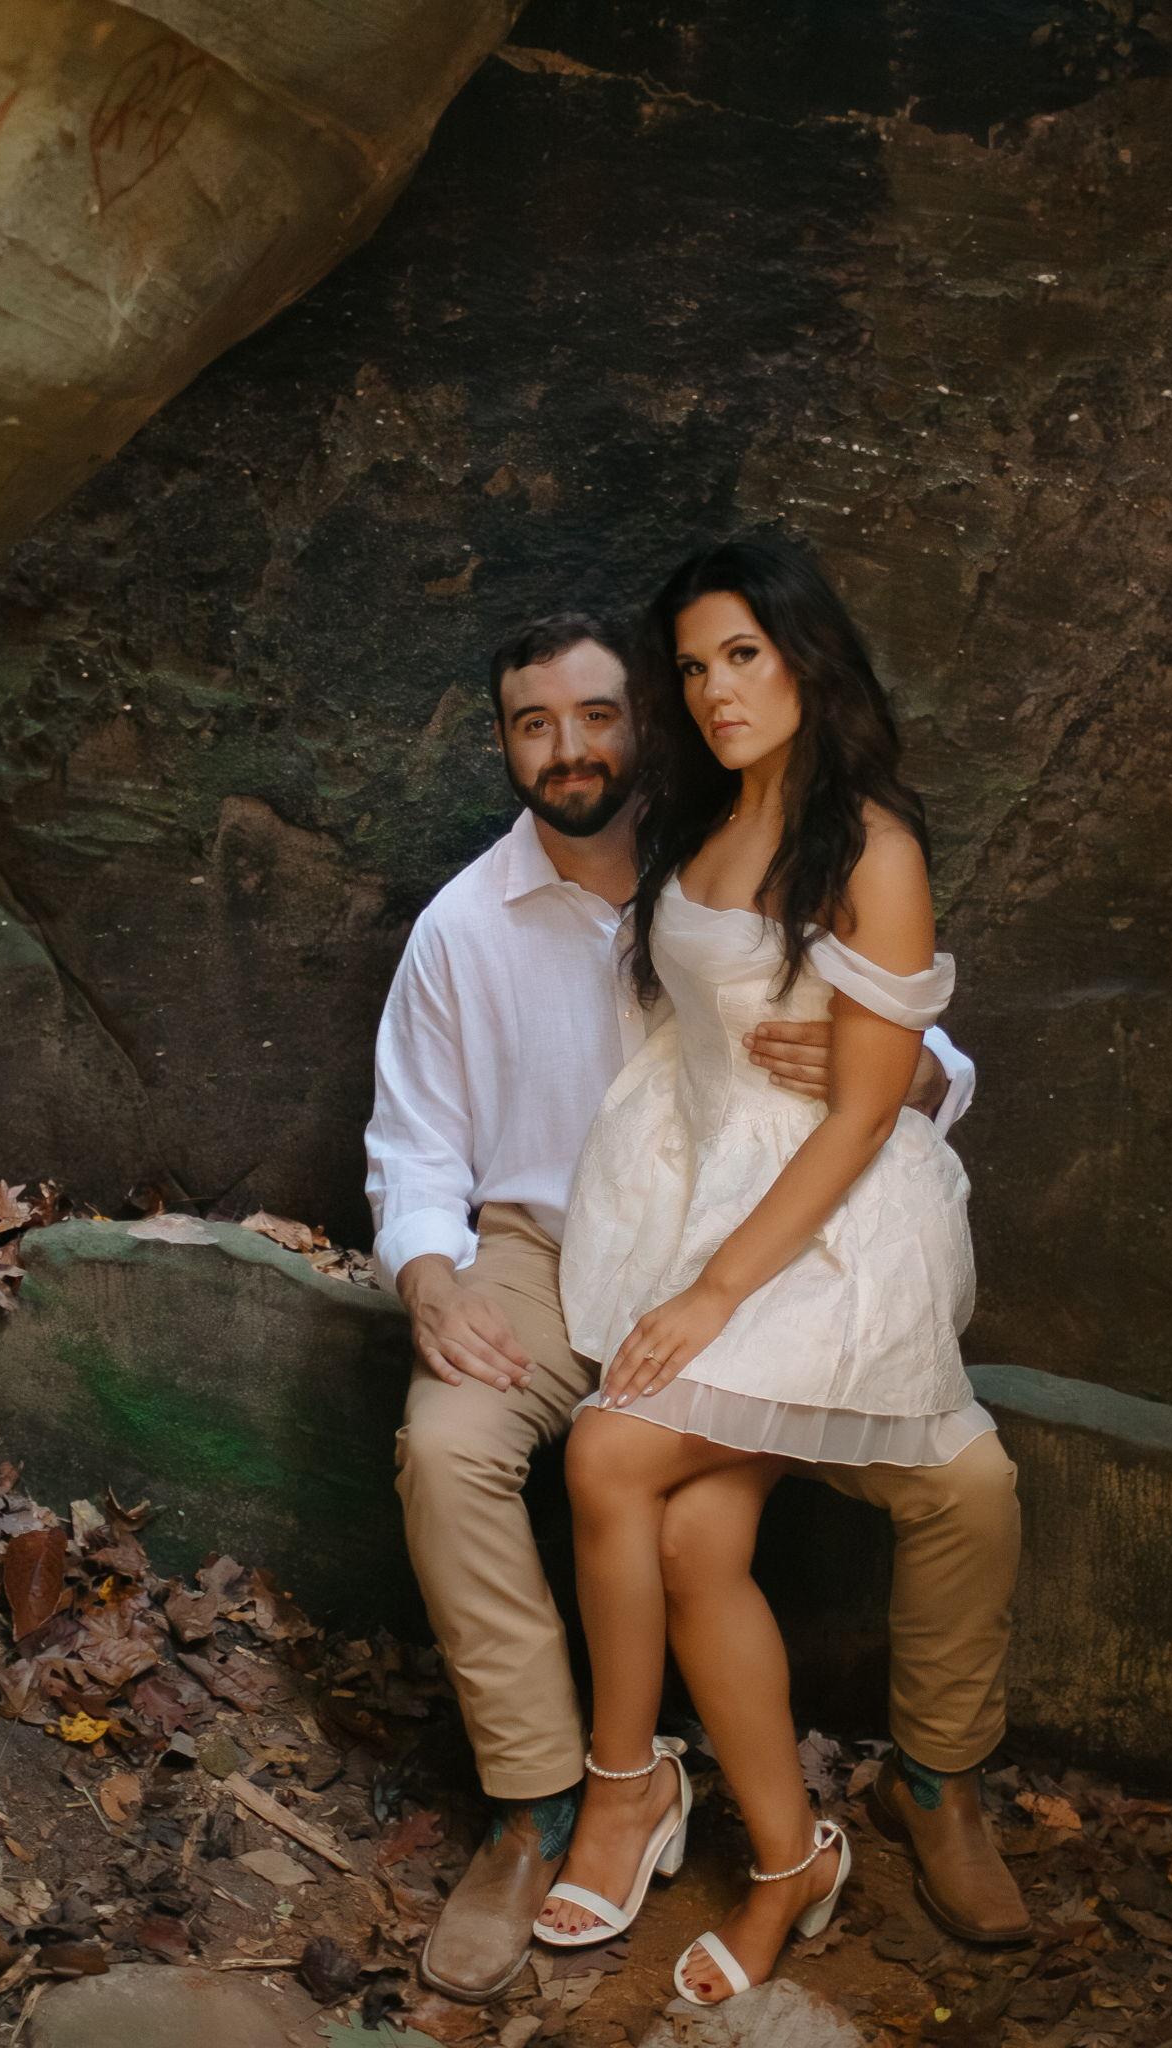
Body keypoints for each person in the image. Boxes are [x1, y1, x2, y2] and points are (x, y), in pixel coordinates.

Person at [364, 603, 1027, 2006]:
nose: (569, 747)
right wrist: (429, 1272)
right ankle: (544, 1803)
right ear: (503, 746)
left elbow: (904, 1040)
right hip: (548, 1251)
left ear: (644, 722)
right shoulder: (461, 930)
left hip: (758, 1249)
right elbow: (413, 1149)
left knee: (972, 1487)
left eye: (599, 713)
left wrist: (910, 1076)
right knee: (448, 1445)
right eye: (533, 724)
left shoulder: (743, 839)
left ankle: (938, 1776)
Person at [537, 537, 1016, 2005]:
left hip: (829, 1229)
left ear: (807, 656)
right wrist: (672, 1240)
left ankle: (625, 1789)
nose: (716, 690)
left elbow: (865, 1115)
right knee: (694, 1541)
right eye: (693, 666)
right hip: (701, 1197)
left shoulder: (871, 846)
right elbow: (695, 1031)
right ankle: (790, 1856)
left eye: (742, 655)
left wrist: (713, 1292)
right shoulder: (698, 817)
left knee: (608, 1455)